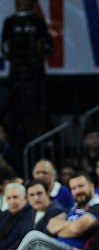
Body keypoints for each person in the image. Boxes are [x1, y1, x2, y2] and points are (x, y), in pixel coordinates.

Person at [1, 0, 53, 144]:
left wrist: (38, 50)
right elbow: (4, 45)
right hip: (16, 73)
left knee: (38, 108)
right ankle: (13, 140)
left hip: (35, 74)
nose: (24, 3)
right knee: (14, 109)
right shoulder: (10, 22)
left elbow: (48, 45)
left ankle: (44, 139)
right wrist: (13, 56)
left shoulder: (39, 22)